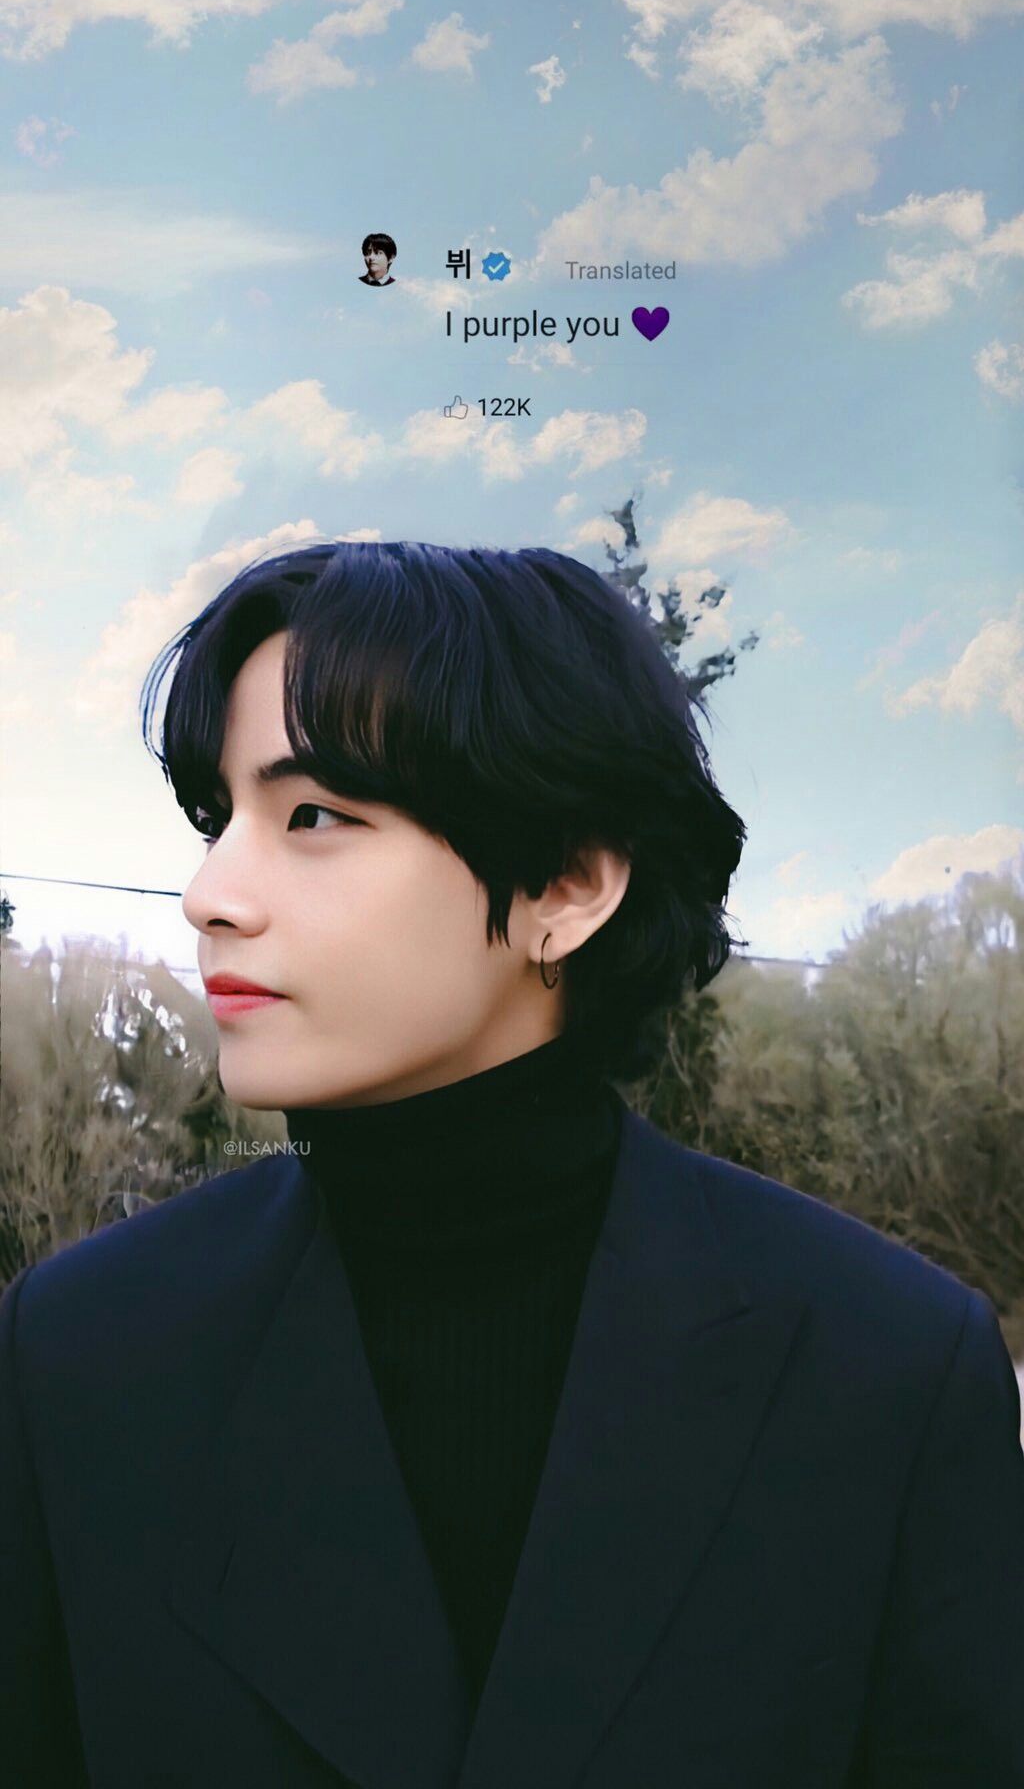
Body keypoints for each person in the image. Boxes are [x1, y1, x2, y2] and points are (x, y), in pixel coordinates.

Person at [1, 537, 1022, 1788]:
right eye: (220, 818)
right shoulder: (80, 1354)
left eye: (313, 813)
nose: (209, 892)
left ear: (567, 884)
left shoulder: (885, 1366)